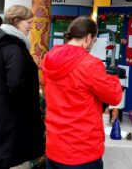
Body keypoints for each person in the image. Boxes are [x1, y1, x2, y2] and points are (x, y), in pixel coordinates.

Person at [41, 16, 123, 169]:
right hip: (82, 151)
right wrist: (114, 78)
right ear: (88, 37)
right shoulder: (90, 64)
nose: (92, 44)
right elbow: (115, 96)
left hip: (55, 146)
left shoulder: (48, 58)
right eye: (94, 41)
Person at [0, 5, 44, 169]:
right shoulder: (14, 48)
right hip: (8, 113)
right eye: (28, 22)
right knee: (2, 156)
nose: (30, 26)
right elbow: (16, 84)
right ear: (16, 21)